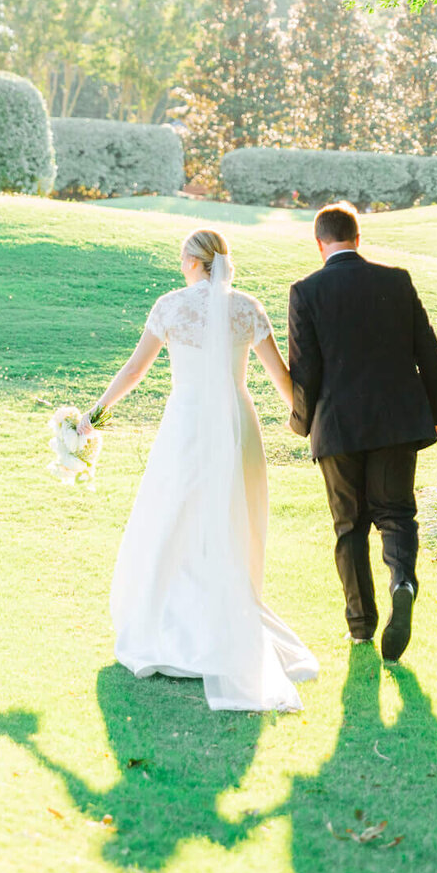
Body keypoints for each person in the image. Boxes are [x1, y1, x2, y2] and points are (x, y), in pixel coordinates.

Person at [79, 227, 318, 712]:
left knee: (173, 515)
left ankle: (178, 627)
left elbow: (134, 371)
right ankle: (221, 617)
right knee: (230, 517)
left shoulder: (170, 306)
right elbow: (281, 379)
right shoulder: (246, 306)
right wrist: (317, 425)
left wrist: (94, 413)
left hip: (187, 421)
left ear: (192, 260)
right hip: (235, 420)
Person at [288, 202, 437, 662]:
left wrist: (301, 423)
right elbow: (428, 351)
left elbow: (306, 370)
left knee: (350, 526)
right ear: (358, 238)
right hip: (398, 421)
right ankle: (403, 580)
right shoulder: (396, 281)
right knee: (396, 513)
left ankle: (361, 627)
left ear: (319, 244)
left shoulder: (306, 291)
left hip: (338, 427)